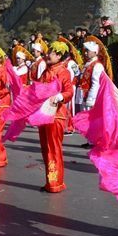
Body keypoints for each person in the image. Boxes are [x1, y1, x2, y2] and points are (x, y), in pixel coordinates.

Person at [38, 41, 74, 193]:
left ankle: (55, 183)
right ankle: (50, 181)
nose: (48, 54)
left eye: (52, 52)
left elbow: (69, 92)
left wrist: (59, 96)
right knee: (46, 148)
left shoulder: (63, 71)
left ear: (59, 56)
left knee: (54, 149)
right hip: (44, 114)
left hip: (56, 115)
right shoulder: (46, 71)